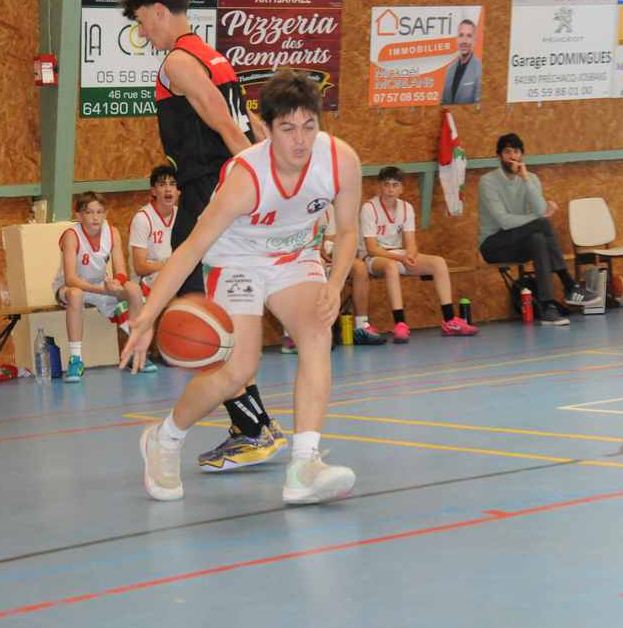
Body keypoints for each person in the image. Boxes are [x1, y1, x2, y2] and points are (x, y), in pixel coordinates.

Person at [120, 68, 360, 506]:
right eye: (287, 128)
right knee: (237, 369)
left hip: (293, 256)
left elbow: (347, 231)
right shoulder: (247, 179)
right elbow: (190, 250)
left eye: (309, 126)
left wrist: (335, 281)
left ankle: (304, 466)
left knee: (316, 331)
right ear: (264, 128)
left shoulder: (340, 161)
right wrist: (148, 316)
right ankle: (165, 438)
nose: (300, 140)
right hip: (238, 262)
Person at [123, 0, 284, 472]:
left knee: (199, 315)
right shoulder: (215, 57)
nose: (143, 32)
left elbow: (226, 125)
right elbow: (251, 124)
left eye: (141, 22)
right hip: (225, 192)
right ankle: (254, 425)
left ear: (159, 12)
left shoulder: (178, 61)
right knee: (221, 311)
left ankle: (252, 429)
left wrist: (259, 187)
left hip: (208, 197)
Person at [478, 133, 600, 326]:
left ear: (522, 155)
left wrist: (526, 179)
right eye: (507, 152)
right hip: (494, 245)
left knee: (538, 240)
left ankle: (547, 307)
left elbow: (540, 209)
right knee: (541, 224)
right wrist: (538, 218)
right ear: (499, 156)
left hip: (520, 242)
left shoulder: (531, 178)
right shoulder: (487, 181)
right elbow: (504, 221)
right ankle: (569, 284)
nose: (512, 156)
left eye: (516, 151)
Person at [360, 166, 478, 343]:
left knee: (438, 262)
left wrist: (411, 255)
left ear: (401, 188)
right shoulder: (369, 208)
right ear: (379, 186)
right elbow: (372, 249)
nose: (390, 189)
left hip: (397, 254)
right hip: (373, 258)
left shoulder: (406, 207)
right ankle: (400, 324)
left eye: (395, 185)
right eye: (386, 184)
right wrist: (402, 258)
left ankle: (449, 321)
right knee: (391, 267)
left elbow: (411, 243)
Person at [54, 192, 156, 382]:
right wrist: (104, 290)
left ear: (105, 214)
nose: (95, 217)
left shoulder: (112, 232)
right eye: (89, 212)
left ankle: (135, 350)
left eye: (99, 212)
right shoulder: (71, 235)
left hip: (100, 284)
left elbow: (121, 271)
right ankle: (75, 359)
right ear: (78, 216)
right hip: (70, 287)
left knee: (134, 290)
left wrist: (116, 282)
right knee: (76, 295)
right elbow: (70, 279)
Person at [283, 204, 386, 352]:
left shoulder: (327, 208)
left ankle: (361, 326)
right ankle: (293, 335)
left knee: (359, 268)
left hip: (318, 257)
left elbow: (329, 242)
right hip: (291, 259)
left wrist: (329, 252)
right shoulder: (293, 206)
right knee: (316, 267)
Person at [128, 164, 178, 299]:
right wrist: (170, 266)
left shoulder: (182, 215)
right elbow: (140, 266)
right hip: (146, 279)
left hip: (173, 272)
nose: (168, 189)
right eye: (162, 185)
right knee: (169, 278)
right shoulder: (142, 218)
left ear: (178, 190)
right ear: (153, 191)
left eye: (172, 184)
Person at [440, 19, 482, 106]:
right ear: (457, 39)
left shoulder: (480, 69)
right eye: (461, 35)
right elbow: (443, 104)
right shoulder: (449, 70)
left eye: (469, 36)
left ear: (474, 40)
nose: (464, 41)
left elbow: (478, 107)